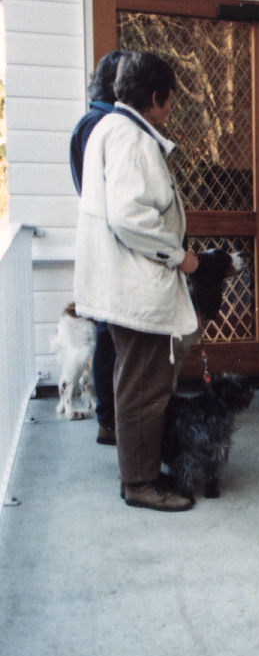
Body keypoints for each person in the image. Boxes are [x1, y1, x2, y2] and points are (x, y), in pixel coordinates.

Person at [73, 50, 200, 512]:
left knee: (135, 387)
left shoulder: (109, 127)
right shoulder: (132, 138)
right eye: (168, 101)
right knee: (144, 392)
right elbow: (131, 218)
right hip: (137, 289)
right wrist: (179, 256)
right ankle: (141, 483)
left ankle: (140, 471)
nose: (169, 111)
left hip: (121, 285)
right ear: (154, 97)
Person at [68, 49, 128, 446]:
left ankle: (113, 417)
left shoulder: (97, 121)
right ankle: (109, 420)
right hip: (111, 245)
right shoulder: (100, 124)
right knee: (109, 333)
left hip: (110, 243)